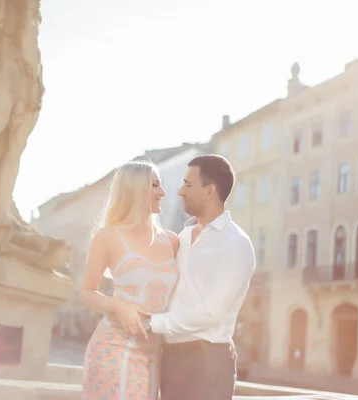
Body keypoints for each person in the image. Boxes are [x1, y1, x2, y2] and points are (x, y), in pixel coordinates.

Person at [143, 155, 256, 400]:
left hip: (207, 363)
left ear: (210, 190)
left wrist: (152, 323)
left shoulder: (236, 244)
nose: (181, 191)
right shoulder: (182, 237)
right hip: (171, 357)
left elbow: (212, 312)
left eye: (188, 184)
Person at [80, 160, 179, 400]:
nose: (163, 192)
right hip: (113, 346)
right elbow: (87, 291)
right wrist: (117, 305)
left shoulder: (173, 241)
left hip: (155, 353)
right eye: (155, 185)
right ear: (136, 189)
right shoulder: (108, 237)